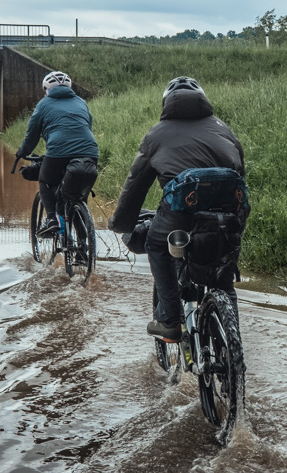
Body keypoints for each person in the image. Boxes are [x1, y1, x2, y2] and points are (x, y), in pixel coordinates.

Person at [109, 76, 246, 342]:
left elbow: (136, 184)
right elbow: (241, 172)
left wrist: (122, 223)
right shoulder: (223, 128)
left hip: (182, 209)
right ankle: (232, 343)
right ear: (203, 100)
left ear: (166, 103)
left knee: (156, 245)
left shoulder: (157, 134)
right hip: (229, 210)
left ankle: (170, 321)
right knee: (223, 277)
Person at [16, 71, 99, 235]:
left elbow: (32, 134)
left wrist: (23, 152)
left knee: (45, 180)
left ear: (47, 89)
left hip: (58, 151)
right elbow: (87, 125)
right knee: (79, 197)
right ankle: (83, 251)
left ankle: (52, 218)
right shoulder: (81, 102)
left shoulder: (44, 104)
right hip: (89, 151)